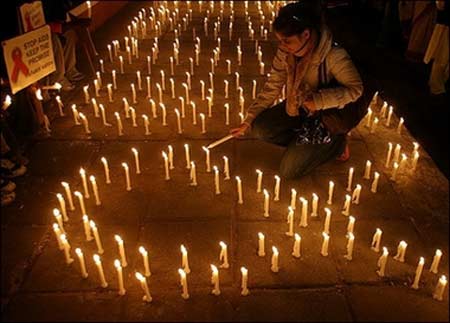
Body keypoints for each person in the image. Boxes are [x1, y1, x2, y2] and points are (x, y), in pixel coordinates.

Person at [230, 0, 364, 179]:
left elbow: (356, 89)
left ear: (306, 34)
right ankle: (305, 144)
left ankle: (335, 143)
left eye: (287, 40)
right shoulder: (287, 52)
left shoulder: (333, 55)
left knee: (289, 171)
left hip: (325, 118)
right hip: (298, 109)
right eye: (280, 40)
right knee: (260, 128)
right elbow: (273, 85)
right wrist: (248, 119)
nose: (283, 45)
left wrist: (319, 100)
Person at [424, 0, 449, 96]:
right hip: (445, 27)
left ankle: (441, 83)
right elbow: (440, 5)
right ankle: (436, 87)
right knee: (441, 57)